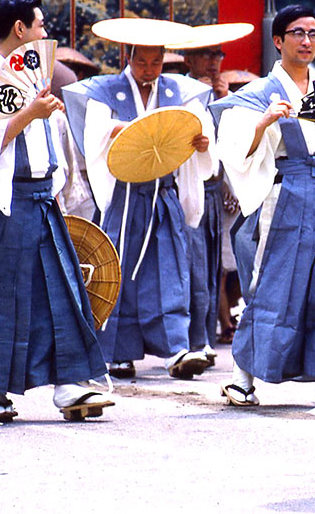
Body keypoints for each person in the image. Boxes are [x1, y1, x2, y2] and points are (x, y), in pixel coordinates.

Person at [0, 0, 112, 422]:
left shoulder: (34, 77)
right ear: (20, 29)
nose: (43, 33)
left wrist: (55, 185)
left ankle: (70, 386)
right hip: (5, 202)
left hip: (42, 198)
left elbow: (46, 141)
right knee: (2, 294)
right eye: (40, 25)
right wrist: (30, 114)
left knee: (62, 290)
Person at [210, 5, 315, 407]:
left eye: (313, 33)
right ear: (278, 41)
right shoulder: (258, 93)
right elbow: (234, 150)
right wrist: (262, 123)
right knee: (269, 285)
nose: (307, 41)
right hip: (283, 193)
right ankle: (242, 377)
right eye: (297, 33)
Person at [62, 19, 215, 380]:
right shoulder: (106, 90)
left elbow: (197, 129)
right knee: (119, 271)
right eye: (142, 61)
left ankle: (176, 349)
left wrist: (202, 143)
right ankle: (117, 352)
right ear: (129, 58)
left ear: (164, 60)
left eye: (156, 62)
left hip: (164, 196)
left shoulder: (181, 92)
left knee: (171, 270)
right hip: (124, 196)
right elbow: (95, 135)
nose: (149, 69)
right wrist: (118, 128)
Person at [170, 24, 253, 366]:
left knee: (213, 265)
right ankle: (187, 338)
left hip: (216, 191)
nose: (213, 61)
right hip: (187, 188)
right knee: (191, 265)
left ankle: (203, 336)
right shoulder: (177, 91)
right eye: (205, 54)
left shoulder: (226, 94)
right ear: (188, 58)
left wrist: (221, 101)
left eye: (218, 54)